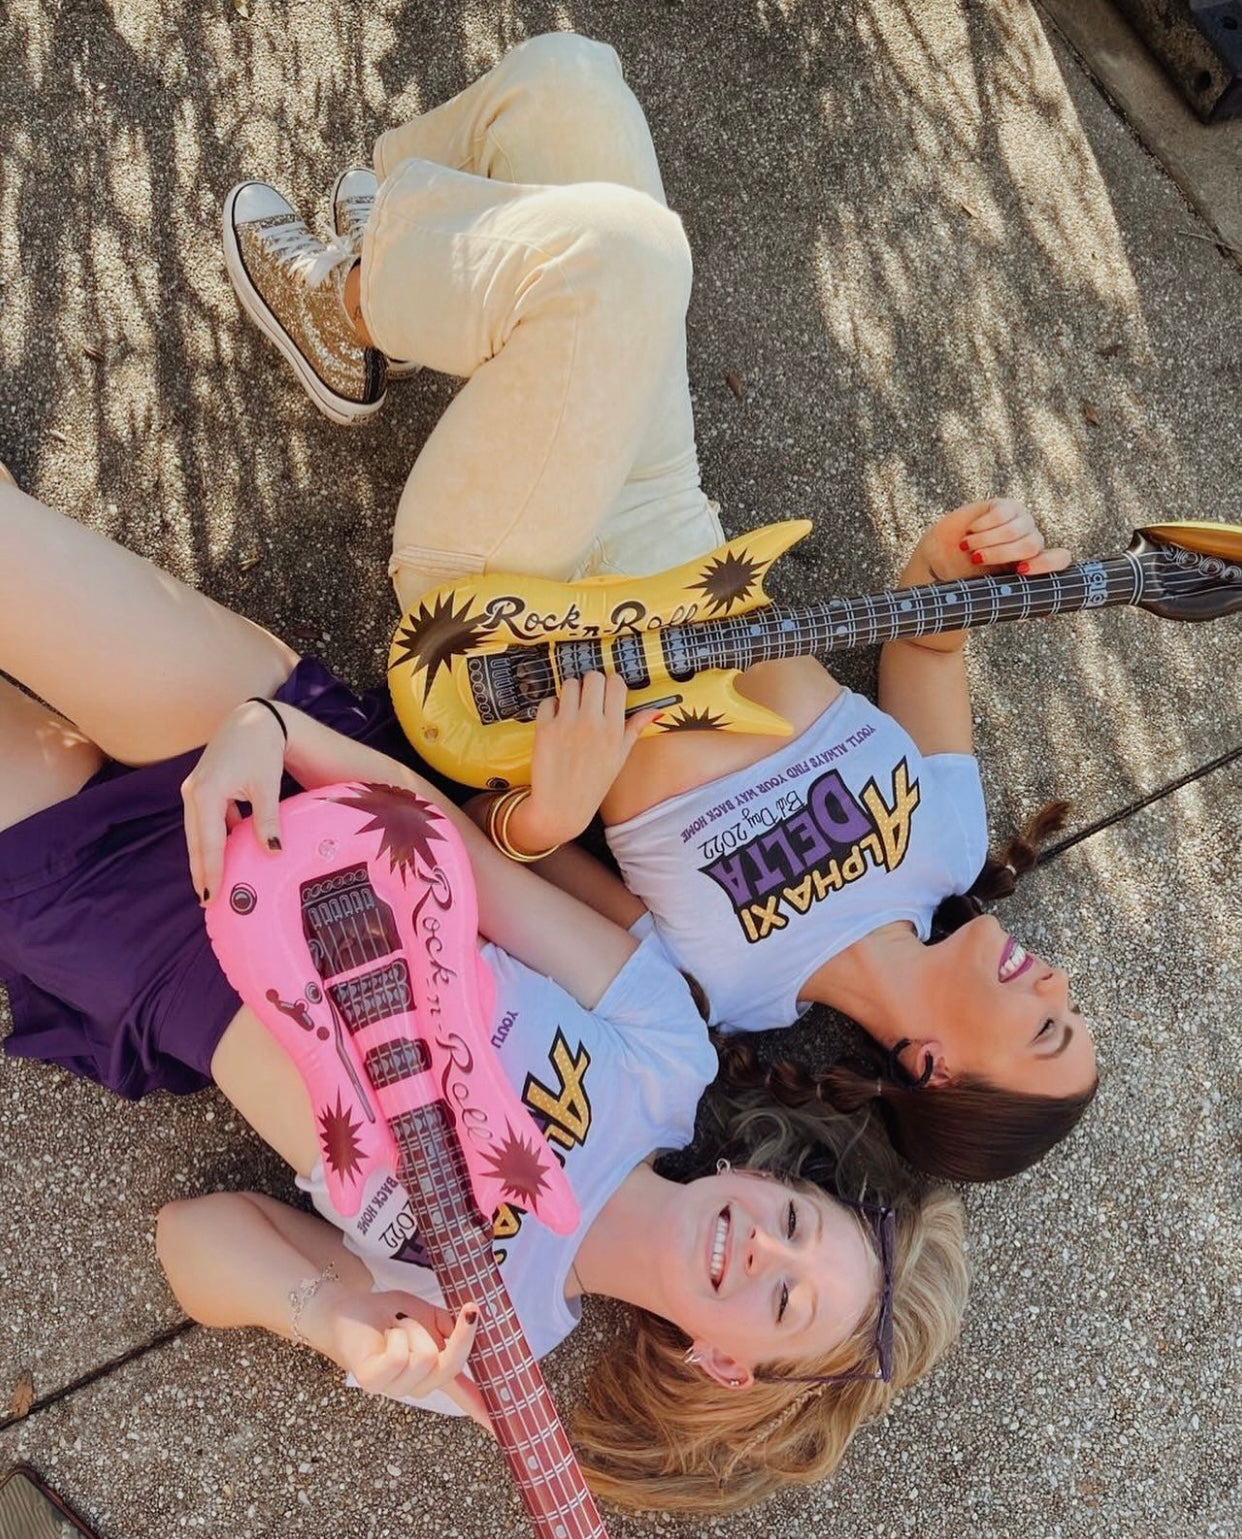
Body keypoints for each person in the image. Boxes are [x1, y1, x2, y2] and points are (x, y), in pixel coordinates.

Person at [0, 462, 968, 1513]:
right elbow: (465, 860)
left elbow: (191, 1241)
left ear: (721, 1365)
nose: (763, 1247)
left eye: (786, 1301)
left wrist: (325, 1312)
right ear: (774, 1178)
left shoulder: (490, 1335)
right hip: (292, 789)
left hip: (143, 948)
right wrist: (279, 736)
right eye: (798, 1221)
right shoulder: (667, 1054)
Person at [221, 32, 1099, 1181]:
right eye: (1072, 1008)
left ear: (932, 1067)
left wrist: (548, 811)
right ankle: (409, 240)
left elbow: (505, 866)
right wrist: (962, 554)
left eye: (1046, 1029)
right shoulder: (943, 839)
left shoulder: (719, 993)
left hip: (502, 609)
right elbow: (929, 629)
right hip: (662, 519)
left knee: (621, 261)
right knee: (570, 79)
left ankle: (362, 291)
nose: (1056, 984)